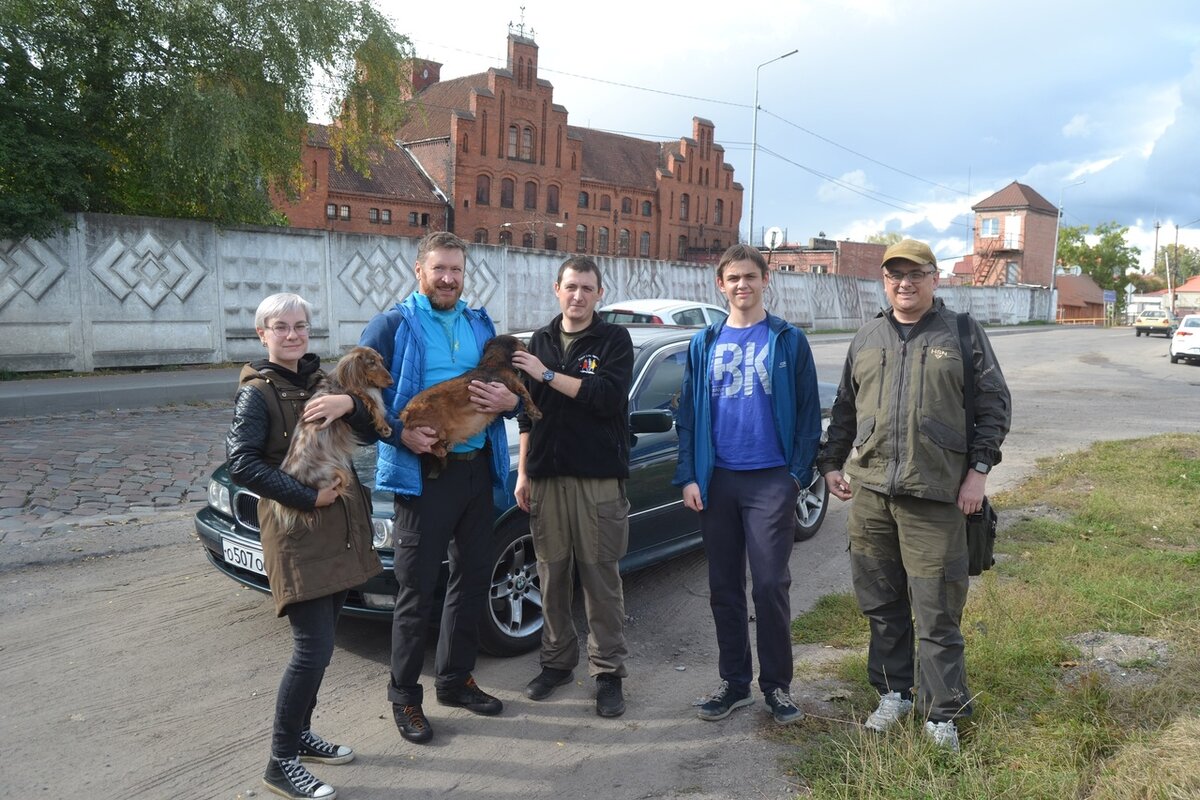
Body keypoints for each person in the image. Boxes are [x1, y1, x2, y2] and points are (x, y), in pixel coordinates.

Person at [817, 239, 1011, 752]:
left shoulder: (963, 334)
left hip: (936, 497)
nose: (905, 282)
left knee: (937, 611)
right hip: (872, 496)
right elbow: (844, 408)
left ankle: (942, 713)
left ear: (935, 277)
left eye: (916, 273)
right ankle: (893, 693)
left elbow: (994, 406)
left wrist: (979, 473)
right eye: (895, 273)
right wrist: (832, 463)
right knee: (881, 605)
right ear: (884, 280)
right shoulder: (867, 336)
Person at [359, 231, 519, 745]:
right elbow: (358, 395)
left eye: (456, 269)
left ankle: (455, 681)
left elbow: (498, 386)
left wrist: (507, 403)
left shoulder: (479, 322)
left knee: (472, 579)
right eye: (438, 269)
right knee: (416, 588)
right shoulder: (393, 325)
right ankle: (405, 698)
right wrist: (400, 434)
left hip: (476, 470)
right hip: (423, 476)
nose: (448, 278)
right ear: (418, 270)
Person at [226, 293, 383, 800]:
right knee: (311, 651)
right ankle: (280, 761)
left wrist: (351, 403)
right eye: (281, 327)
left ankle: (301, 736)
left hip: (339, 526)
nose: (292, 335)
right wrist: (310, 497)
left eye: (300, 326)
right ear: (262, 334)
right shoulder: (258, 393)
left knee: (323, 646)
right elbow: (243, 465)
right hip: (297, 529)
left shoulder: (321, 382)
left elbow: (371, 434)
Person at [673, 244, 822, 725]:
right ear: (721, 284)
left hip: (769, 481)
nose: (742, 285)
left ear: (765, 280)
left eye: (750, 277)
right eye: (733, 278)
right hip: (718, 482)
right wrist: (690, 475)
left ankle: (776, 686)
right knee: (724, 587)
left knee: (770, 586)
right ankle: (734, 684)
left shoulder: (787, 340)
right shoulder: (704, 342)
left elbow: (806, 414)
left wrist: (796, 475)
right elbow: (688, 415)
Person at [510, 255, 635, 717]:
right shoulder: (539, 340)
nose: (578, 295)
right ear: (556, 289)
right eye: (570, 287)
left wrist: (545, 374)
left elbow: (606, 398)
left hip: (598, 480)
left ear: (599, 294)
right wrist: (524, 471)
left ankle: (607, 674)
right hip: (546, 477)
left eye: (587, 288)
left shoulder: (614, 339)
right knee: (552, 576)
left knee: (601, 579)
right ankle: (557, 662)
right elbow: (527, 410)